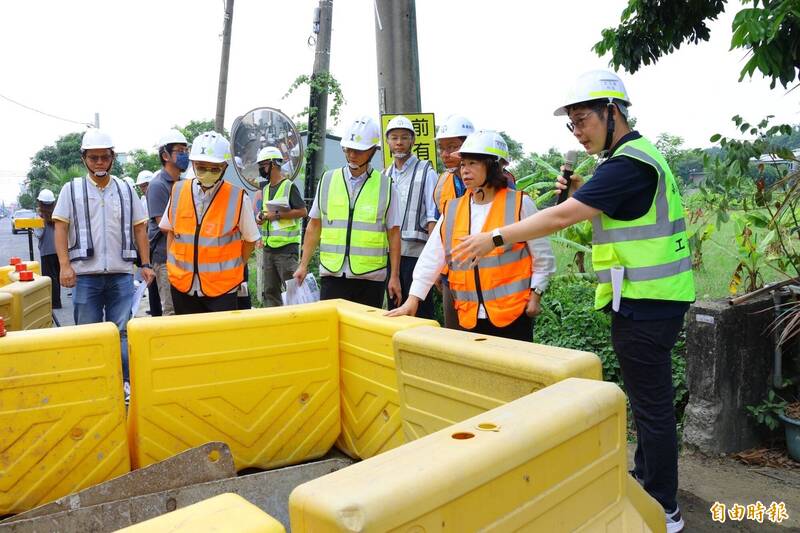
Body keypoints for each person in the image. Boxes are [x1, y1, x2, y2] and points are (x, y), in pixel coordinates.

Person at [451, 70, 693, 533]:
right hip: (645, 300)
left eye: (583, 120)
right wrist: (585, 192)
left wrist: (495, 237)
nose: (578, 132)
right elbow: (603, 222)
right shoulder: (626, 162)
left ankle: (663, 507)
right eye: (572, 125)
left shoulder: (629, 164)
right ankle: (648, 484)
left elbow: (563, 218)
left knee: (652, 409)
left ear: (612, 112)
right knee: (648, 405)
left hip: (648, 301)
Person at [387, 130, 555, 341]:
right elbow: (432, 257)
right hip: (469, 316)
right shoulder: (454, 209)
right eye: (463, 164)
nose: (465, 171)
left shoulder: (520, 204)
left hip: (513, 314)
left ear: (494, 166)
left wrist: (536, 293)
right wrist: (414, 299)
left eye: (473, 164)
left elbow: (543, 255)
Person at [52, 129, 154, 397]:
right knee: (89, 333)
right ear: (84, 158)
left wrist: (146, 264)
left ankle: (124, 383)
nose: (99, 163)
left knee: (121, 332)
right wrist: (64, 265)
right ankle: (92, 385)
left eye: (104, 158)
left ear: (112, 158)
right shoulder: (71, 190)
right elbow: (60, 228)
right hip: (85, 276)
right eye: (94, 158)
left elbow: (140, 228)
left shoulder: (124, 189)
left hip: (121, 274)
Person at [293, 116, 402, 308]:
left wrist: (394, 276)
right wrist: (303, 265)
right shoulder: (327, 180)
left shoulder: (386, 186)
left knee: (364, 335)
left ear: (373, 151)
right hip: (332, 274)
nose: (352, 155)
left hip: (371, 277)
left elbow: (393, 233)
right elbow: (314, 226)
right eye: (348, 149)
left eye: (358, 151)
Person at [159, 131, 260, 315]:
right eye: (201, 167)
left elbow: (250, 240)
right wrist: (171, 267)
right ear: (193, 164)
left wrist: (235, 268)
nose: (207, 173)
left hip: (222, 290)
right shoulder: (178, 191)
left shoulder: (237, 198)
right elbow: (171, 232)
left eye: (214, 169)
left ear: (224, 167)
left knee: (219, 341)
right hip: (183, 286)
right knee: (188, 339)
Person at [382, 116, 439, 319]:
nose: (399, 142)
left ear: (413, 141)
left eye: (404, 137)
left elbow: (433, 217)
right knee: (395, 309)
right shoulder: (384, 175)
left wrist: (434, 259)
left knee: (420, 312)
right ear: (387, 142)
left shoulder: (427, 172)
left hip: (417, 256)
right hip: (391, 256)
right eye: (394, 137)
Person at [431, 114, 476, 329]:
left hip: (486, 275)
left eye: (452, 147)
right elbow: (439, 231)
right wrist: (439, 269)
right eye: (442, 148)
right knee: (454, 336)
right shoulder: (443, 183)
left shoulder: (500, 180)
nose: (445, 154)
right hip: (452, 273)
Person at [255, 146, 307, 307]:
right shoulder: (265, 189)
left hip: (286, 250)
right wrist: (261, 217)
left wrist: (277, 215)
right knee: (270, 290)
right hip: (269, 248)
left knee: (293, 290)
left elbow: (303, 211)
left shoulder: (288, 186)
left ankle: (298, 323)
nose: (261, 169)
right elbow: (265, 212)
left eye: (263, 165)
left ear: (273, 164)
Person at [146, 129, 190, 316]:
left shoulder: (184, 183)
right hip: (165, 258)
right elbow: (165, 226)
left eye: (186, 150)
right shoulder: (158, 186)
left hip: (184, 257)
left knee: (186, 309)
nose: (185, 155)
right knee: (171, 310)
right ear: (165, 155)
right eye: (179, 151)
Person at [135, 170, 161, 316]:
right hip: (149, 245)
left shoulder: (154, 198)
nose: (144, 189)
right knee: (151, 281)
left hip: (157, 246)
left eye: (146, 185)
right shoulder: (143, 201)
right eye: (142, 186)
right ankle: (155, 310)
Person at [34, 188, 61, 309]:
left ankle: (54, 303)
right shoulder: (57, 214)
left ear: (40, 203)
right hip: (59, 250)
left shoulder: (40, 217)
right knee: (56, 277)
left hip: (46, 251)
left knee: (50, 278)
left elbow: (39, 234)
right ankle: (57, 301)